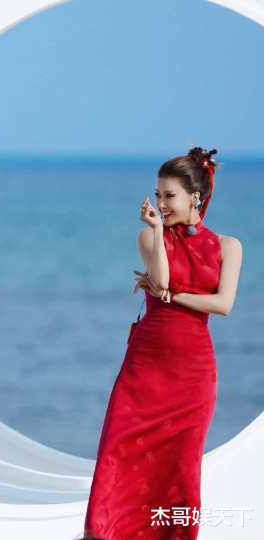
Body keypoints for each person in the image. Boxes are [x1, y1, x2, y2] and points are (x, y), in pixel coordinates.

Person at [84, 148, 242, 539]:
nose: (160, 203)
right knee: (117, 455)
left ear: (195, 197)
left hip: (193, 375)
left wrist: (174, 296)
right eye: (157, 194)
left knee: (179, 469)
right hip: (145, 369)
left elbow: (222, 304)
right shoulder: (148, 236)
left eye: (169, 195)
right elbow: (160, 282)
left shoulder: (229, 246)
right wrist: (157, 232)